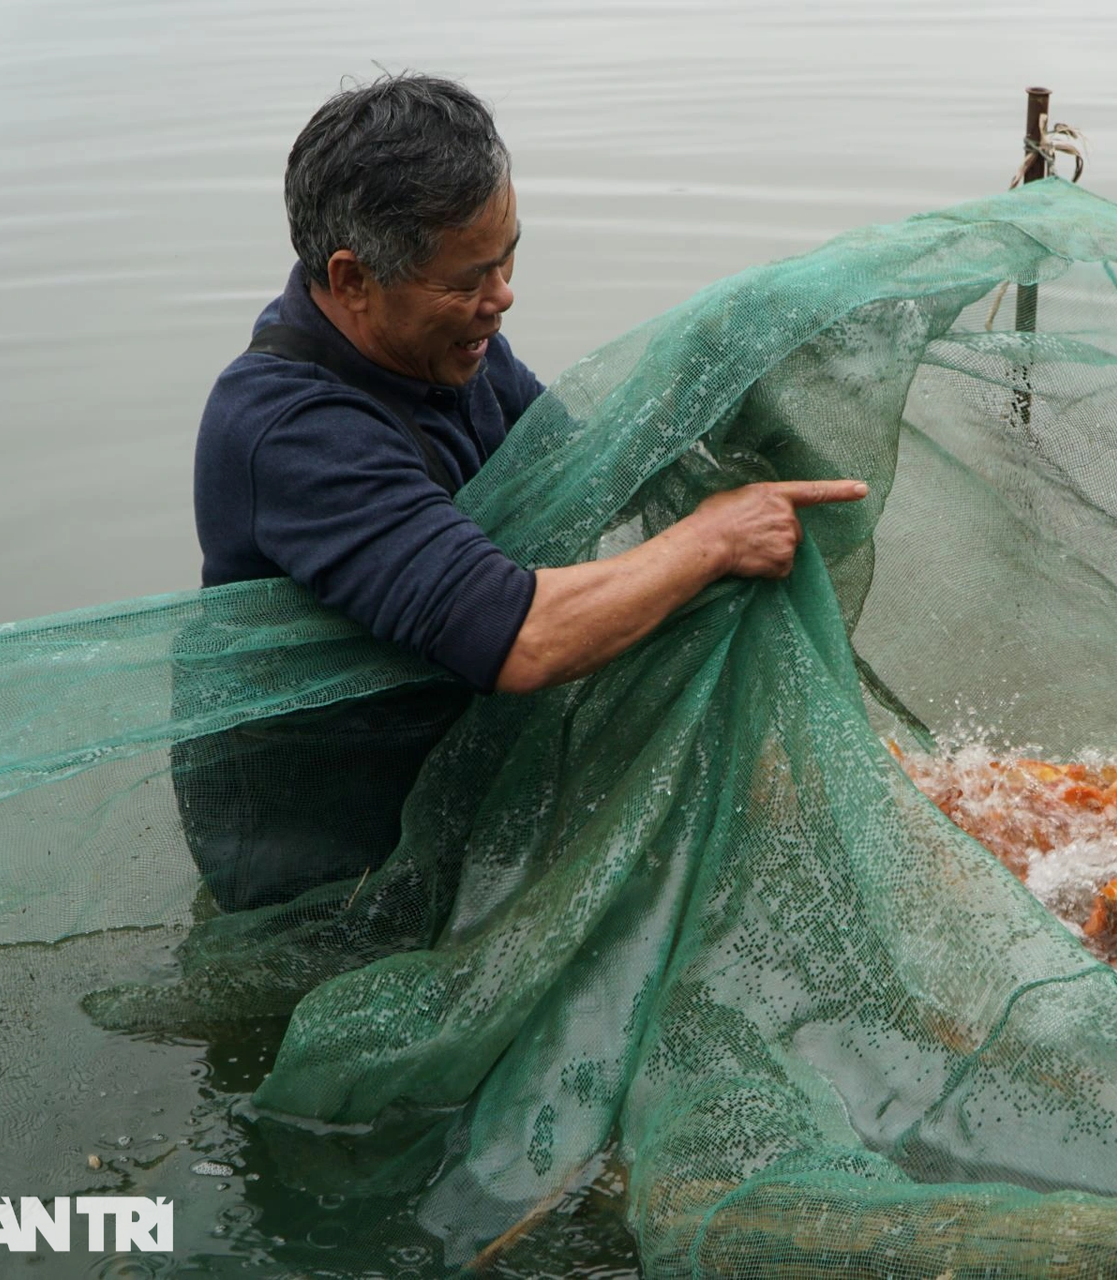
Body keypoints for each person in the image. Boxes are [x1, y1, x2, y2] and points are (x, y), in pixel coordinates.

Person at [178, 73, 864, 910]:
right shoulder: (292, 432)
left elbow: (579, 479)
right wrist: (712, 539)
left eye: (507, 258)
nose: (501, 298)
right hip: (332, 866)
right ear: (353, 279)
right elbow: (523, 636)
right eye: (468, 278)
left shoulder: (450, 346)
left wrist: (725, 413)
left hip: (448, 784)